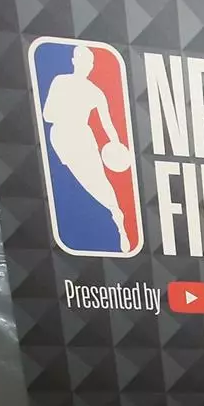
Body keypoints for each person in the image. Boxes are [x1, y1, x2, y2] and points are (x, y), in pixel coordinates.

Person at [40, 46, 133, 252]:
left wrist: (116, 145)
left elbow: (107, 124)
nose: (86, 66)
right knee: (74, 184)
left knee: (99, 182)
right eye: (82, 60)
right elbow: (47, 115)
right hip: (62, 138)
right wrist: (68, 111)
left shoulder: (95, 92)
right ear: (74, 61)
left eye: (89, 62)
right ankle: (110, 218)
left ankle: (119, 221)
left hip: (83, 138)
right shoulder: (60, 82)